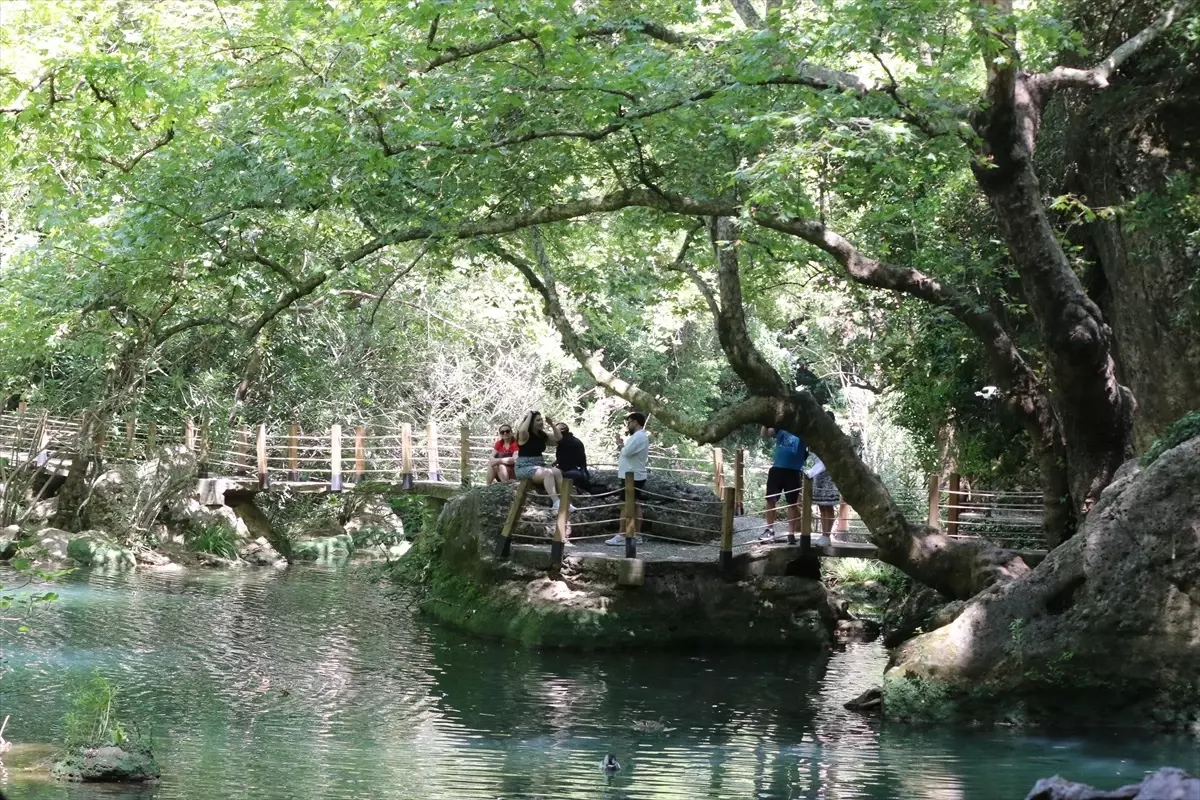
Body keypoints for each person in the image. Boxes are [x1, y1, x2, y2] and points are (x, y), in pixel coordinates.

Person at [515, 410, 574, 512]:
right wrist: (529, 415)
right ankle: (556, 502)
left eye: (541, 419)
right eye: (538, 420)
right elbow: (522, 431)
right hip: (524, 467)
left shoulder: (542, 435)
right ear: (531, 422)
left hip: (539, 465)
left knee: (557, 471)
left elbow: (558, 438)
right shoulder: (524, 436)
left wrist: (551, 424)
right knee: (548, 473)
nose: (541, 422)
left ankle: (565, 501)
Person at [606, 411, 649, 546]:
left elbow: (626, 452)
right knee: (635, 504)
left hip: (632, 476)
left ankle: (622, 534)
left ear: (635, 423)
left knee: (625, 505)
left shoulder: (638, 437)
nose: (628, 425)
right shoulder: (639, 437)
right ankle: (636, 534)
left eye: (629, 422)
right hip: (633, 474)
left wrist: (619, 444)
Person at [759, 426, 807, 544]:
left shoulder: (804, 426)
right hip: (777, 468)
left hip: (794, 470)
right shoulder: (781, 425)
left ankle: (791, 534)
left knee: (793, 503)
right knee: (771, 500)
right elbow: (765, 434)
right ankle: (769, 530)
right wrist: (765, 423)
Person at [553, 422, 592, 492]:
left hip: (574, 472)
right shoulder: (573, 440)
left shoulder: (566, 443)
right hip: (580, 471)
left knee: (555, 474)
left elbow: (566, 462)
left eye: (556, 431)